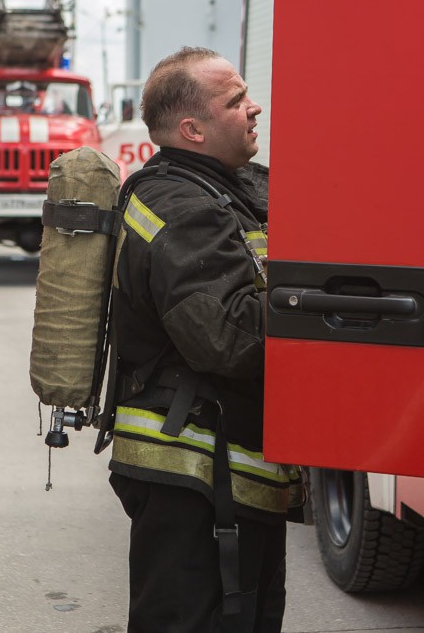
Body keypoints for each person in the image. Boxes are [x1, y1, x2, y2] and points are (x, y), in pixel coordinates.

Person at [108, 46, 301, 632]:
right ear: (192, 129)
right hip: (192, 478)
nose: (254, 108)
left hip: (226, 477)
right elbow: (226, 338)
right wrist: (310, 302)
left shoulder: (230, 189)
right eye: (236, 101)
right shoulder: (181, 206)